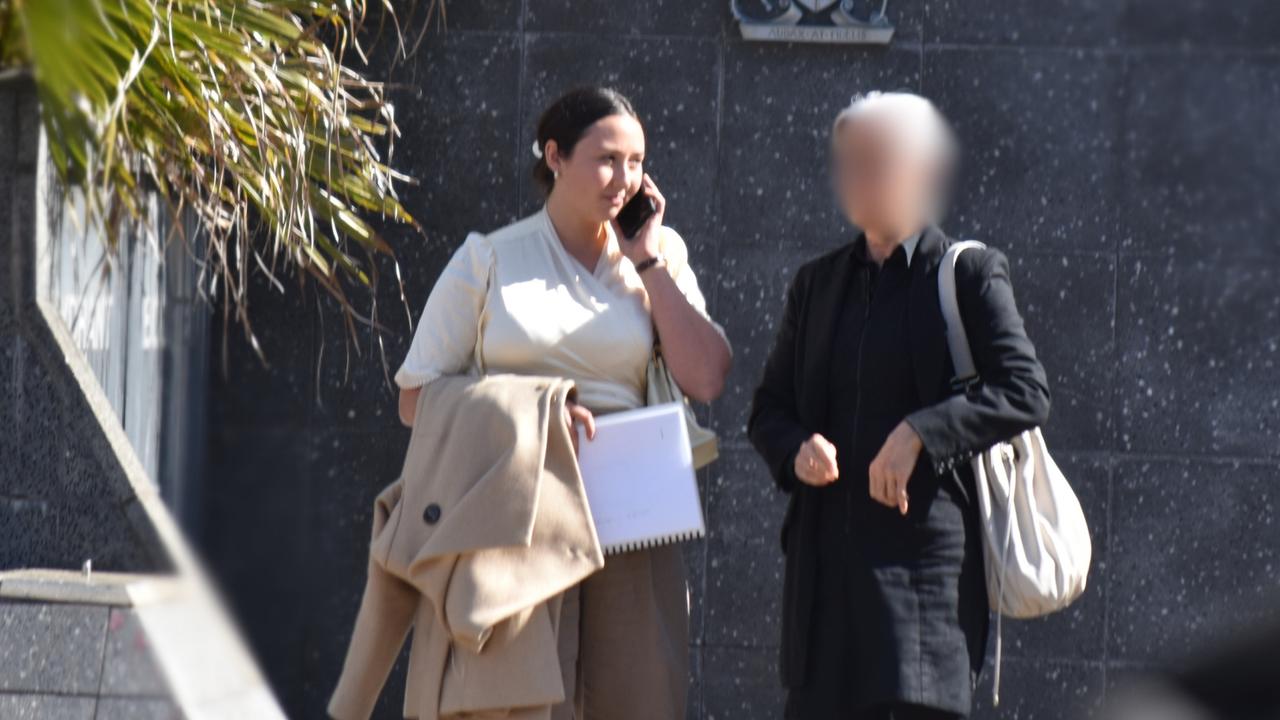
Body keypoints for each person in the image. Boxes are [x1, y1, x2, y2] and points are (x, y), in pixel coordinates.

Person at [395, 85, 732, 719]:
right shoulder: (488, 258)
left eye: (637, 162)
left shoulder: (660, 257)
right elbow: (417, 398)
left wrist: (648, 261)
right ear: (554, 154)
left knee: (637, 696)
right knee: (508, 700)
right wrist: (536, 410)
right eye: (607, 159)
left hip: (630, 515)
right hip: (515, 509)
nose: (624, 180)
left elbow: (708, 376)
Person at [748, 91, 1051, 720]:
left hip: (923, 584)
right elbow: (769, 408)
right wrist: (795, 449)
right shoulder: (817, 282)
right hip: (822, 584)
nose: (856, 176)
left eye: (876, 159)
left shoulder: (967, 273)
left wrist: (921, 431)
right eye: (849, 161)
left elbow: (1024, 389)